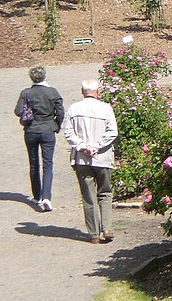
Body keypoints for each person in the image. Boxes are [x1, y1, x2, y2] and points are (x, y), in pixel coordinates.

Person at [64, 79, 118, 244]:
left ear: (82, 91)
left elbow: (68, 133)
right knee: (105, 193)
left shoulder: (74, 108)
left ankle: (93, 233)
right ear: (98, 91)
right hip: (103, 158)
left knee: (88, 196)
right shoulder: (106, 108)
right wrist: (97, 146)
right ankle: (107, 228)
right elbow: (112, 132)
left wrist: (82, 146)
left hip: (82, 159)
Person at [15, 66, 64, 212]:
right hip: (48, 129)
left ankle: (36, 195)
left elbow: (18, 111)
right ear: (44, 76)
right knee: (47, 164)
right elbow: (60, 112)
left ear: (31, 77)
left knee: (33, 163)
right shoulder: (53, 92)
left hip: (31, 130)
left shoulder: (26, 93)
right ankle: (46, 197)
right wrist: (57, 125)